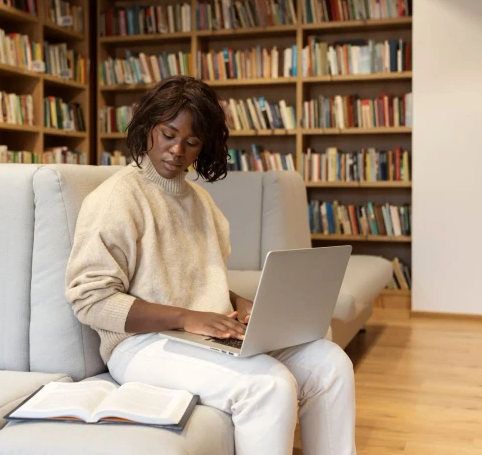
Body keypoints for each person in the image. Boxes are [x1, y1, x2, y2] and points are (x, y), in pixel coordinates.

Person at [65, 75, 356, 455]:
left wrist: (244, 304)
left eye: (191, 142)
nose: (176, 151)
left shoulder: (201, 202)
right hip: (140, 347)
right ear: (147, 126)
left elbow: (201, 278)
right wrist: (187, 317)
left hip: (204, 337)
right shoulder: (117, 198)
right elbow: (90, 301)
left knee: (330, 362)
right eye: (168, 135)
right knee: (269, 385)